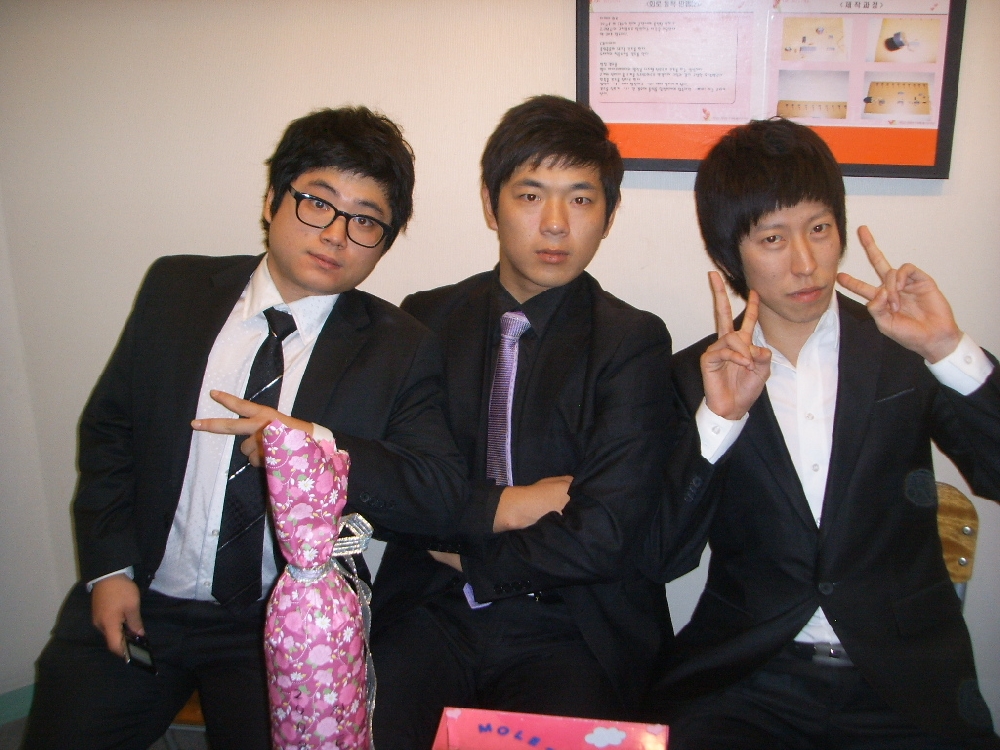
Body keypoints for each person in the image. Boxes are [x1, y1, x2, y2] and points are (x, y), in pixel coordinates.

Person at [21, 106, 466, 750]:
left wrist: (309, 446)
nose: (336, 234)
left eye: (366, 220)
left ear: (385, 241)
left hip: (276, 619)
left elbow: (438, 493)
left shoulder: (401, 347)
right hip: (141, 593)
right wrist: (109, 570)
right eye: (317, 203)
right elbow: (111, 432)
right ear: (271, 200)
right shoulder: (176, 290)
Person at [643, 117, 1000, 749]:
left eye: (819, 229)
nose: (806, 263)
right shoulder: (695, 377)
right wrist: (720, 422)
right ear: (729, 255)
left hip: (902, 683)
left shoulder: (903, 349)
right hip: (748, 683)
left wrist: (948, 348)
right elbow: (664, 557)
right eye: (772, 238)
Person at [367, 94, 678, 749]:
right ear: (491, 204)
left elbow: (604, 535)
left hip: (571, 622)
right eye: (531, 196)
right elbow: (397, 493)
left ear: (609, 214)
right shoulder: (424, 320)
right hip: (431, 609)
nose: (556, 225)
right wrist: (510, 506)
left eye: (581, 199)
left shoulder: (633, 342)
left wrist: (471, 554)